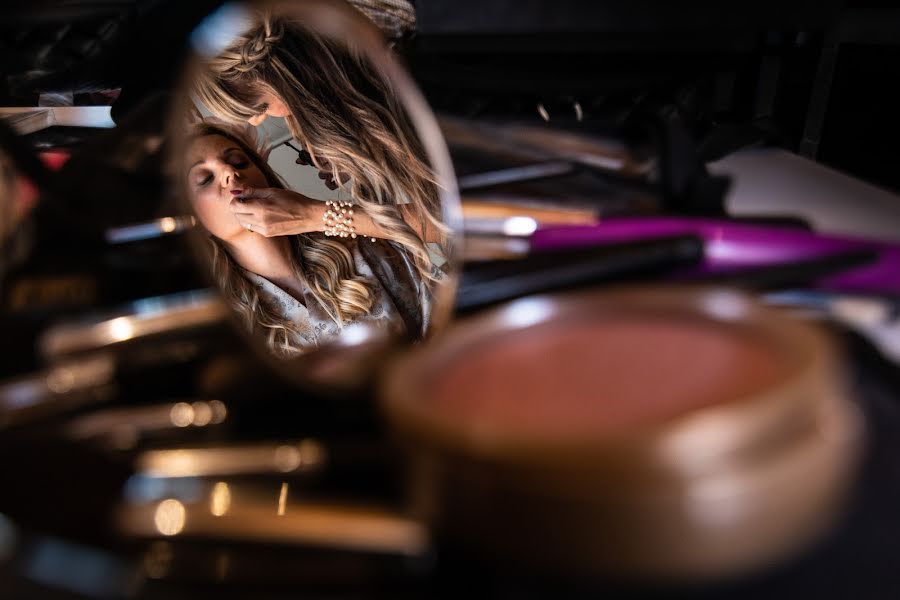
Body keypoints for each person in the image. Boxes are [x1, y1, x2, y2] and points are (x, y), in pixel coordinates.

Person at [191, 10, 447, 293]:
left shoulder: (396, 87)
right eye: (203, 179)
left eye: (260, 107)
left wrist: (316, 215)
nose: (257, 121)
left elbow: (453, 218)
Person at [184, 120, 437, 357]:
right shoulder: (231, 327)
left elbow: (447, 222)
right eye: (205, 179)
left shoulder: (362, 246)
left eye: (239, 162)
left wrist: (317, 214)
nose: (229, 172)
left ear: (265, 176)